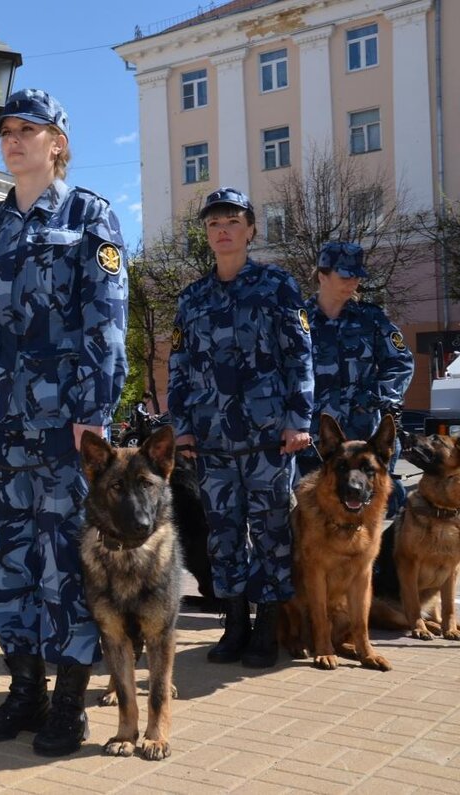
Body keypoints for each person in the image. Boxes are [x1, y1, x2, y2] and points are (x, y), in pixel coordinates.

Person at [0, 88, 128, 756]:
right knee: (10, 561)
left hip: (62, 428)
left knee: (67, 564)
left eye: (28, 129)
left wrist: (94, 412)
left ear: (58, 141)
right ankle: (25, 689)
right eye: (6, 131)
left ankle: (70, 701)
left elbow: (106, 325)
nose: (13, 139)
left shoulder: (89, 217)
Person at [168, 187, 314, 669]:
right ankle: (234, 624)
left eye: (232, 221)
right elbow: (180, 367)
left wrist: (299, 420)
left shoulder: (277, 286)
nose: (223, 230)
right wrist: (182, 428)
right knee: (222, 532)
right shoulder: (192, 299)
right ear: (206, 234)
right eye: (213, 223)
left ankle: (268, 628)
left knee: (272, 530)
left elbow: (299, 356)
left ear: (251, 229)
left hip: (268, 437)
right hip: (211, 439)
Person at [300, 242, 413, 511]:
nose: (354, 282)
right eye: (345, 275)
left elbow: (400, 362)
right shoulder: (298, 321)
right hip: (313, 442)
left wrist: (375, 397)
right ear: (322, 275)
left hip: (363, 435)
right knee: (312, 515)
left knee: (369, 515)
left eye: (357, 275)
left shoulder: (371, 319)